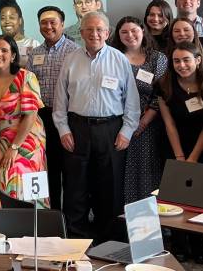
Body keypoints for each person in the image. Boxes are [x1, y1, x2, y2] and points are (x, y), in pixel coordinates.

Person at [53, 12, 139, 240]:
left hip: (111, 130)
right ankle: (76, 238)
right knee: (75, 187)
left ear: (107, 33)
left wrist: (126, 131)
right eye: (89, 29)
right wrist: (63, 129)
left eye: (99, 29)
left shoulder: (120, 59)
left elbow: (131, 100)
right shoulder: (71, 60)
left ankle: (107, 239)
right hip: (77, 128)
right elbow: (60, 99)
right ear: (81, 33)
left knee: (109, 188)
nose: (94, 34)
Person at [156, 42, 203, 263]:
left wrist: (192, 157)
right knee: (174, 198)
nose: (181, 65)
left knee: (198, 198)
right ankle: (179, 243)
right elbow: (169, 123)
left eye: (186, 60)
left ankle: (199, 243)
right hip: (173, 146)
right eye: (176, 61)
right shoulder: (164, 85)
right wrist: (180, 157)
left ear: (198, 60)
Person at [0, 34, 47, 209]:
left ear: (13, 55)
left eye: (4, 50)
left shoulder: (26, 77)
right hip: (1, 136)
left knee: (15, 172)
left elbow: (30, 115)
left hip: (28, 136)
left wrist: (14, 148)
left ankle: (27, 228)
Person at [108, 17, 167, 205]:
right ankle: (123, 223)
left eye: (134, 31)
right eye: (124, 32)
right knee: (118, 174)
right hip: (117, 126)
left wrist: (142, 122)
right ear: (118, 35)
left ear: (143, 31)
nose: (130, 35)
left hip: (148, 127)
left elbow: (161, 94)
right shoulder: (111, 57)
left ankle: (150, 225)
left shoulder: (158, 58)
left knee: (147, 174)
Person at [26, 6, 80, 210]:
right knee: (48, 171)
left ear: (62, 24)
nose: (48, 26)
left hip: (68, 119)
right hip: (42, 119)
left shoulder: (74, 51)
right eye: (43, 22)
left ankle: (70, 219)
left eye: (53, 22)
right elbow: (28, 88)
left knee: (70, 171)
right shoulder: (35, 53)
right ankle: (53, 216)